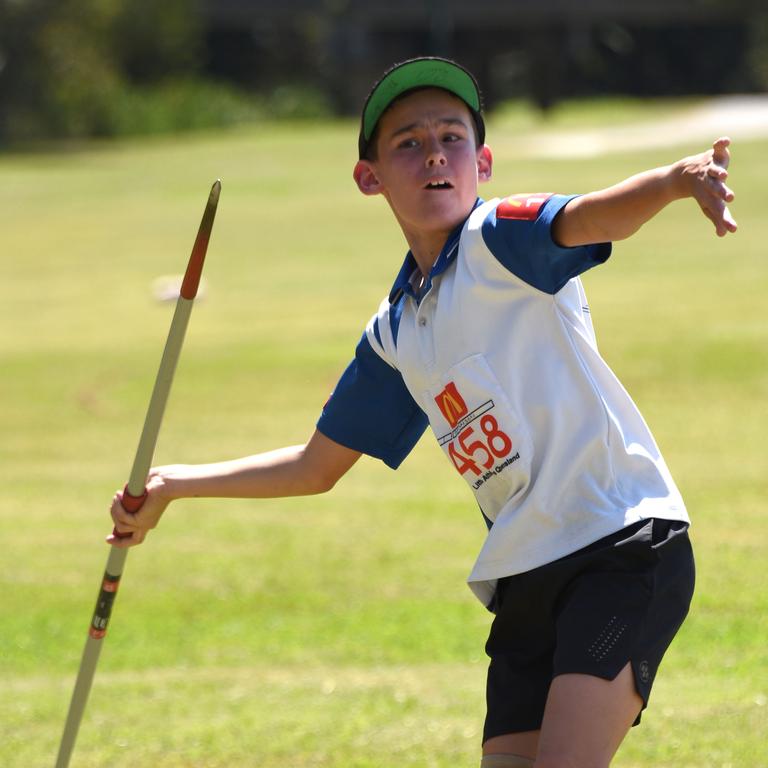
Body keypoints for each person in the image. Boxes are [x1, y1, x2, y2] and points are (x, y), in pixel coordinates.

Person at [109, 57, 737, 767]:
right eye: (407, 143)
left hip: (621, 546)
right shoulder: (396, 330)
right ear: (369, 176)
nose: (434, 153)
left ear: (483, 162)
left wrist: (675, 182)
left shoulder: (502, 239)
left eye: (452, 138)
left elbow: (592, 215)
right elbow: (315, 466)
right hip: (527, 575)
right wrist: (174, 485)